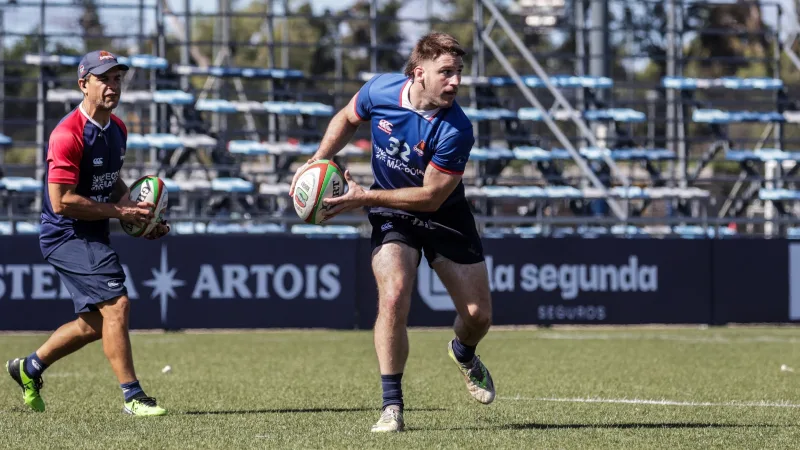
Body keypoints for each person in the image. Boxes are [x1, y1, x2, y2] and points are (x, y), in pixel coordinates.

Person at [290, 32, 495, 432]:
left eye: (458, 72)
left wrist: (364, 197)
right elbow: (347, 117)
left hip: (444, 216)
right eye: (446, 72)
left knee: (477, 316)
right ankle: (392, 406)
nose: (455, 81)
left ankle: (463, 352)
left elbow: (431, 197)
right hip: (391, 213)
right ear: (419, 73)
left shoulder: (456, 129)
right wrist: (317, 160)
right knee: (394, 295)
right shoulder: (380, 90)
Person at [5, 50, 170, 416]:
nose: (113, 86)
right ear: (83, 84)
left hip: (93, 233)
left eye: (117, 79)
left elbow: (110, 181)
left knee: (96, 323)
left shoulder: (118, 129)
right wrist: (120, 212)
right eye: (103, 79)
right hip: (65, 234)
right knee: (117, 305)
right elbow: (61, 201)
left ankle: (29, 367)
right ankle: (133, 397)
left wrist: (141, 218)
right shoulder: (67, 134)